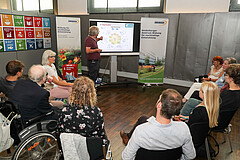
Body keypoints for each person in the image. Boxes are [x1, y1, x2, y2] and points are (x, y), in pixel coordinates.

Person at [121, 89, 196, 160]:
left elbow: (126, 157)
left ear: (159, 105)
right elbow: (190, 156)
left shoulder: (141, 131)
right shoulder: (183, 129)